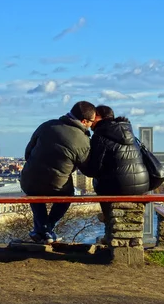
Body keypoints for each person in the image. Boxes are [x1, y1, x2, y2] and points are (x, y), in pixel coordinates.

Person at [20, 100, 96, 244]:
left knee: (34, 192)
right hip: (57, 185)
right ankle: (47, 229)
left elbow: (28, 153)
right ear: (84, 121)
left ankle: (42, 231)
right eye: (92, 122)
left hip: (28, 179)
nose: (92, 126)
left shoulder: (47, 125)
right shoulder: (83, 140)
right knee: (67, 196)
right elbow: (88, 170)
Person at [84, 105, 150, 239]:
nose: (90, 122)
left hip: (119, 186)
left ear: (98, 117)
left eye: (92, 117)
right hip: (142, 185)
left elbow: (93, 170)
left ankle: (108, 218)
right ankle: (111, 228)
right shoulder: (128, 132)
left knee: (98, 181)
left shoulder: (100, 135)